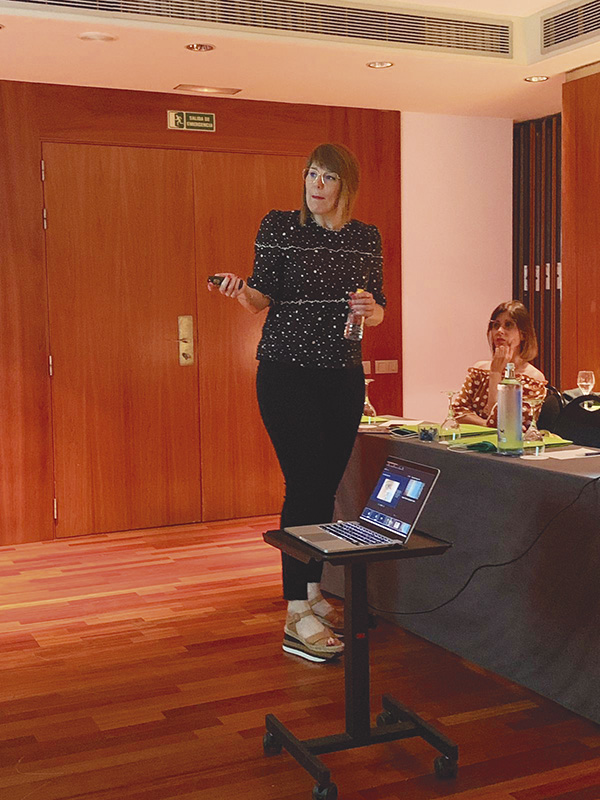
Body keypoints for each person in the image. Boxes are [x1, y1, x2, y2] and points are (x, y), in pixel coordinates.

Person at [207, 143, 385, 662]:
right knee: (304, 483)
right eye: (311, 174)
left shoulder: (366, 238)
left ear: (345, 186)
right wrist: (241, 291)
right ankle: (295, 613)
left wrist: (371, 309)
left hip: (343, 377)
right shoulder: (280, 226)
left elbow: (377, 308)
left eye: (327, 177)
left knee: (324, 489)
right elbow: (260, 299)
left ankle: (312, 593)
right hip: (287, 375)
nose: (316, 185)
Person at [452, 300, 546, 428]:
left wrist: (495, 374)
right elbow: (458, 412)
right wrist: (486, 425)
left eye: (508, 325)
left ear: (523, 334)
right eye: (496, 325)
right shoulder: (479, 369)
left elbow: (507, 423)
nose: (499, 331)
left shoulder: (533, 378)